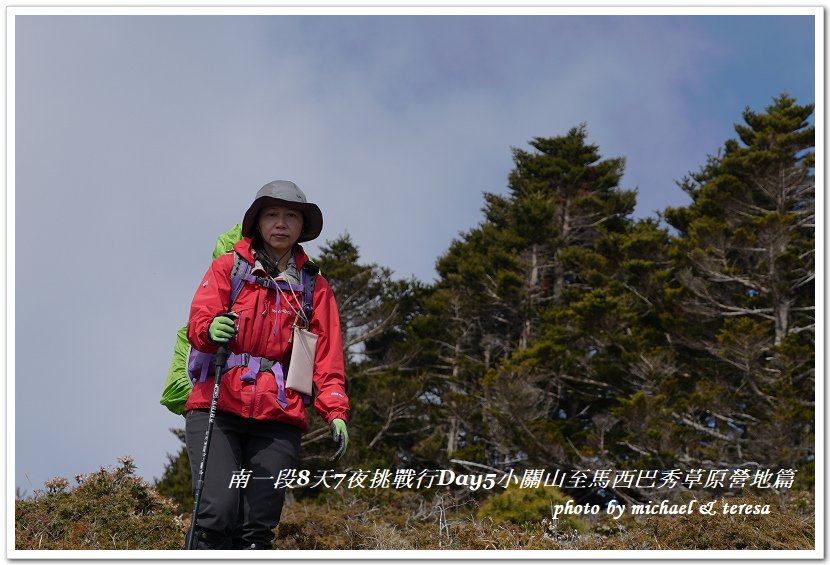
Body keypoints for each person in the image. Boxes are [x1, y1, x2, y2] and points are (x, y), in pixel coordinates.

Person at [184, 180, 350, 550]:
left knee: (257, 528)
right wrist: (210, 328)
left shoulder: (314, 288)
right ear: (257, 222)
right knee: (216, 515)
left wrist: (335, 410)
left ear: (301, 226)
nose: (281, 223)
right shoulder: (229, 268)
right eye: (271, 214)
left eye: (291, 215)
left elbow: (327, 358)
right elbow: (200, 321)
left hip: (279, 416)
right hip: (218, 406)